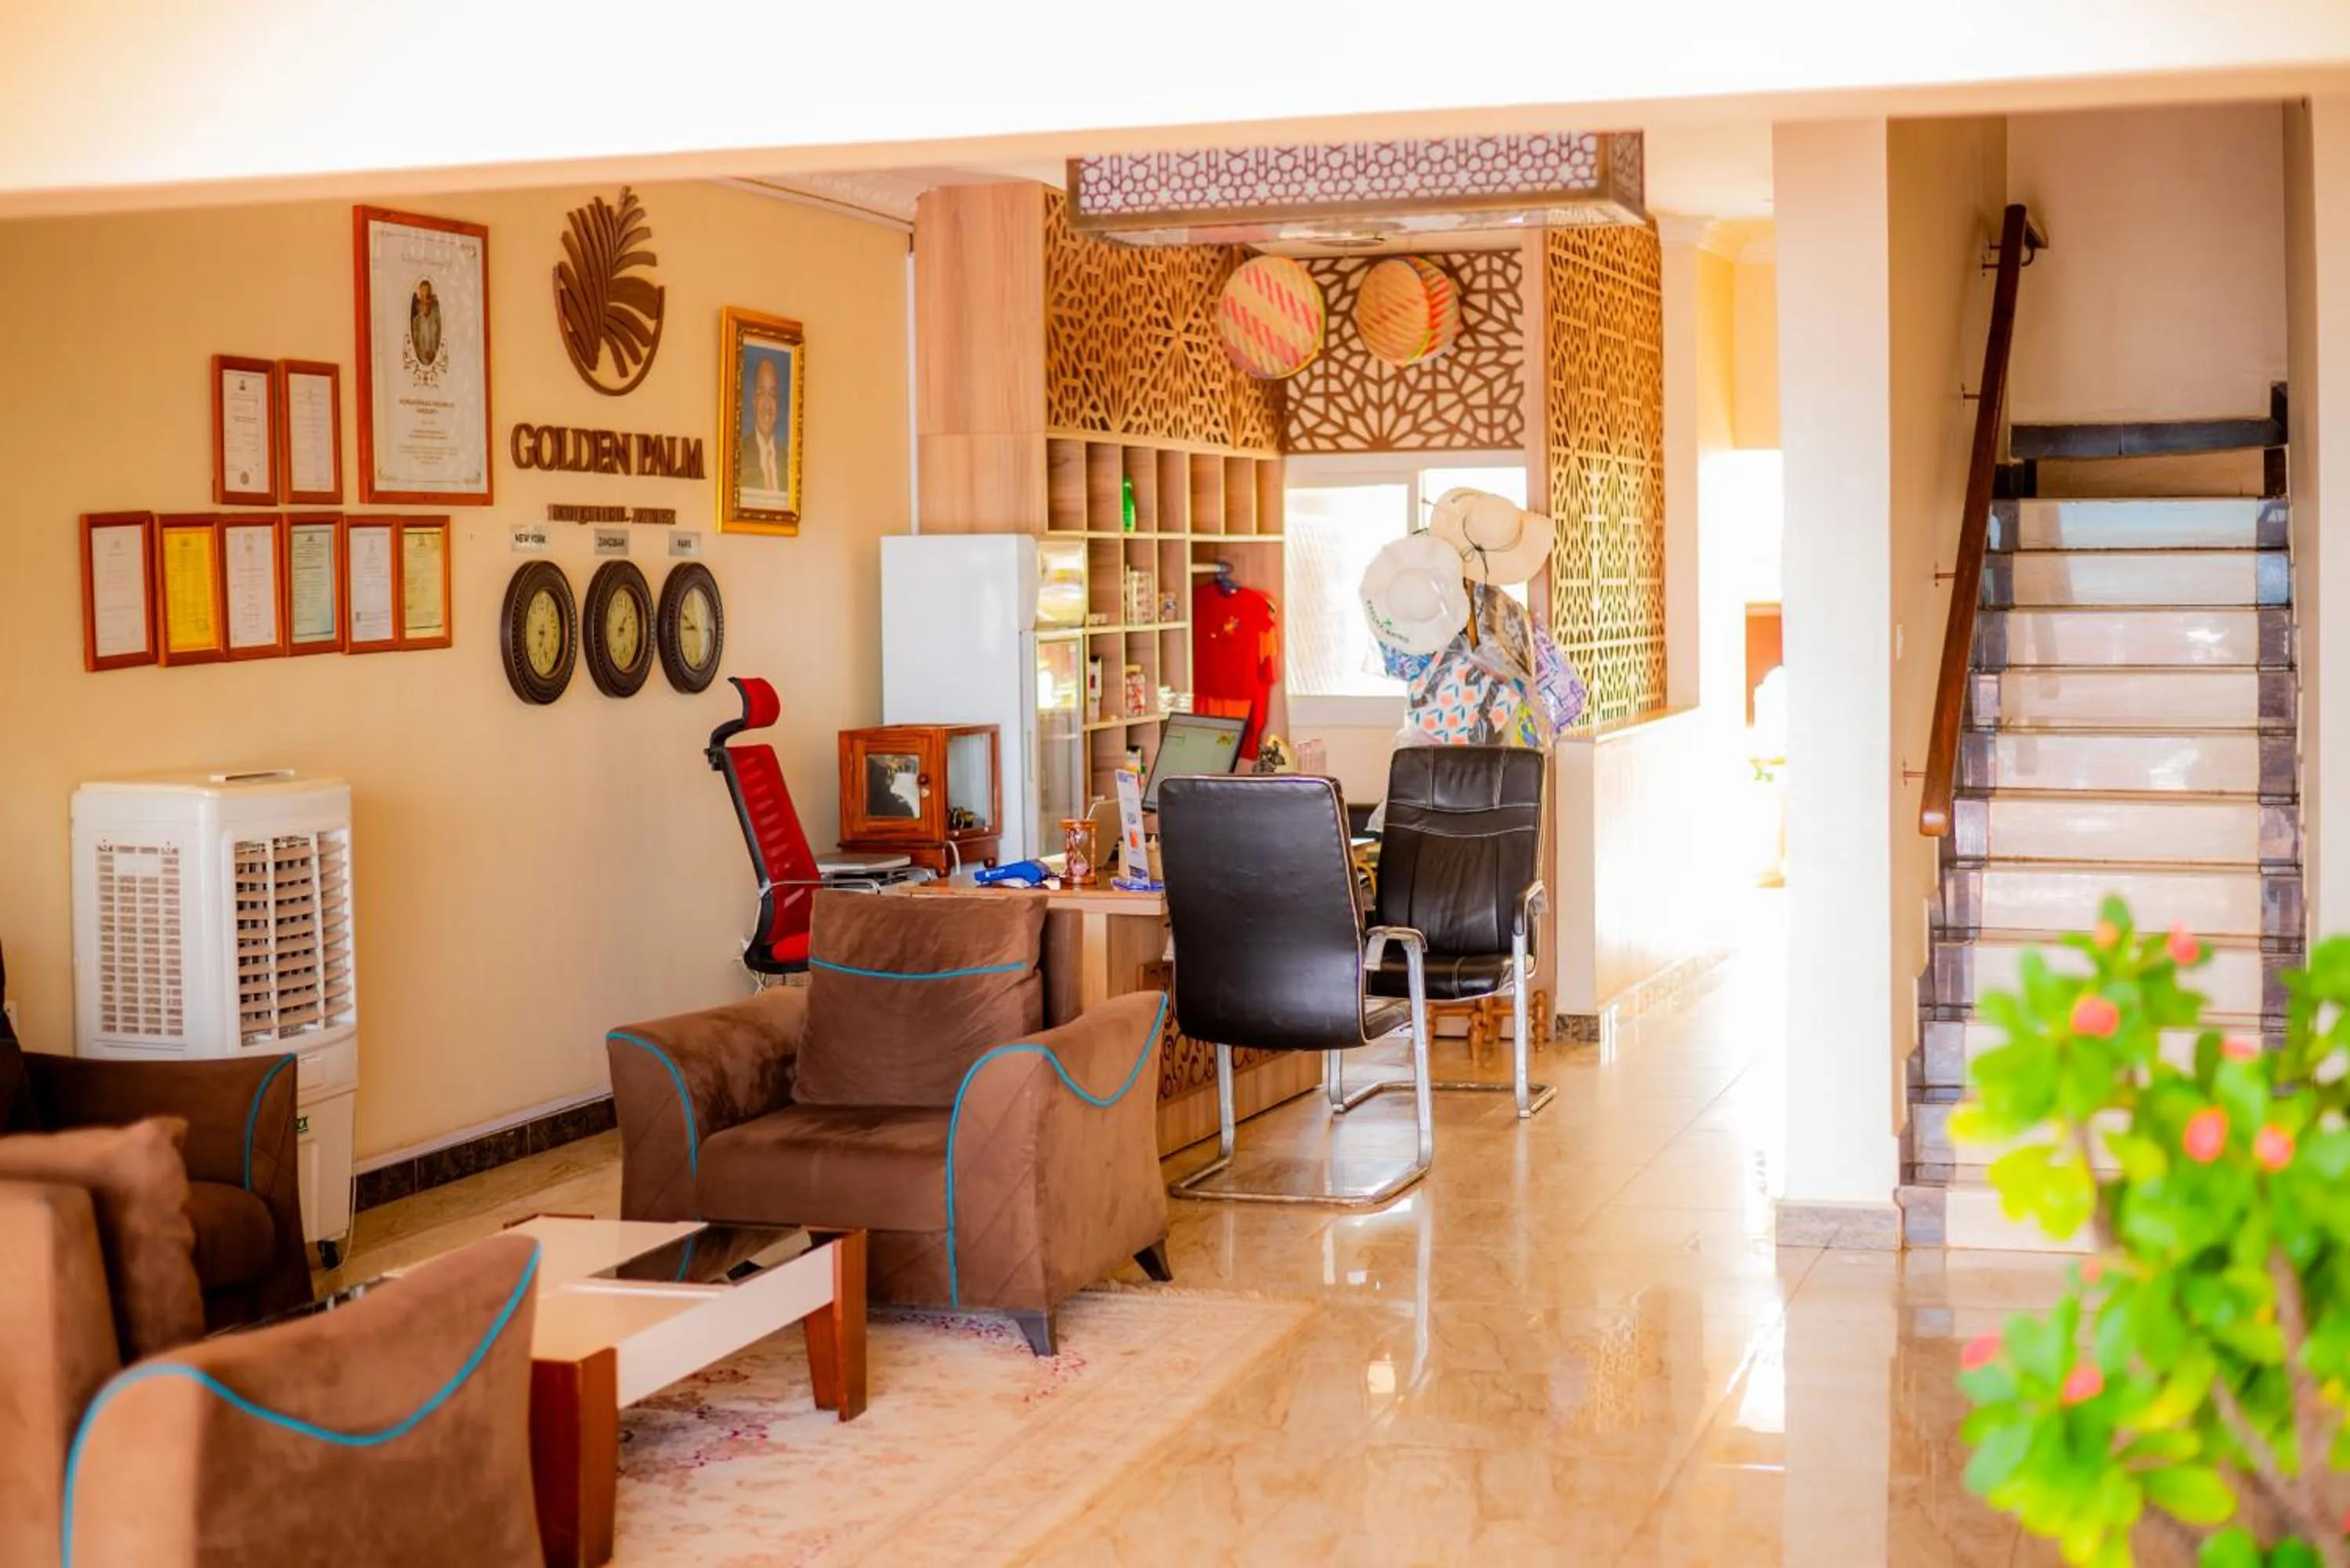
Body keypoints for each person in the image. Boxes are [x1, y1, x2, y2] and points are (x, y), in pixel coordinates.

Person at [738, 354, 786, 497]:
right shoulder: (740, 454)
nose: (768, 404)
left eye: (772, 395)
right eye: (762, 393)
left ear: (778, 403)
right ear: (754, 401)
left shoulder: (787, 460)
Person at [409, 280, 441, 367]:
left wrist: (435, 353)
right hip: (421, 361)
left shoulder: (436, 319)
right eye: (422, 295)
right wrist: (423, 354)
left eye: (427, 296)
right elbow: (415, 345)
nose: (425, 301)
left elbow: (441, 340)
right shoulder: (416, 321)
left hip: (436, 360)